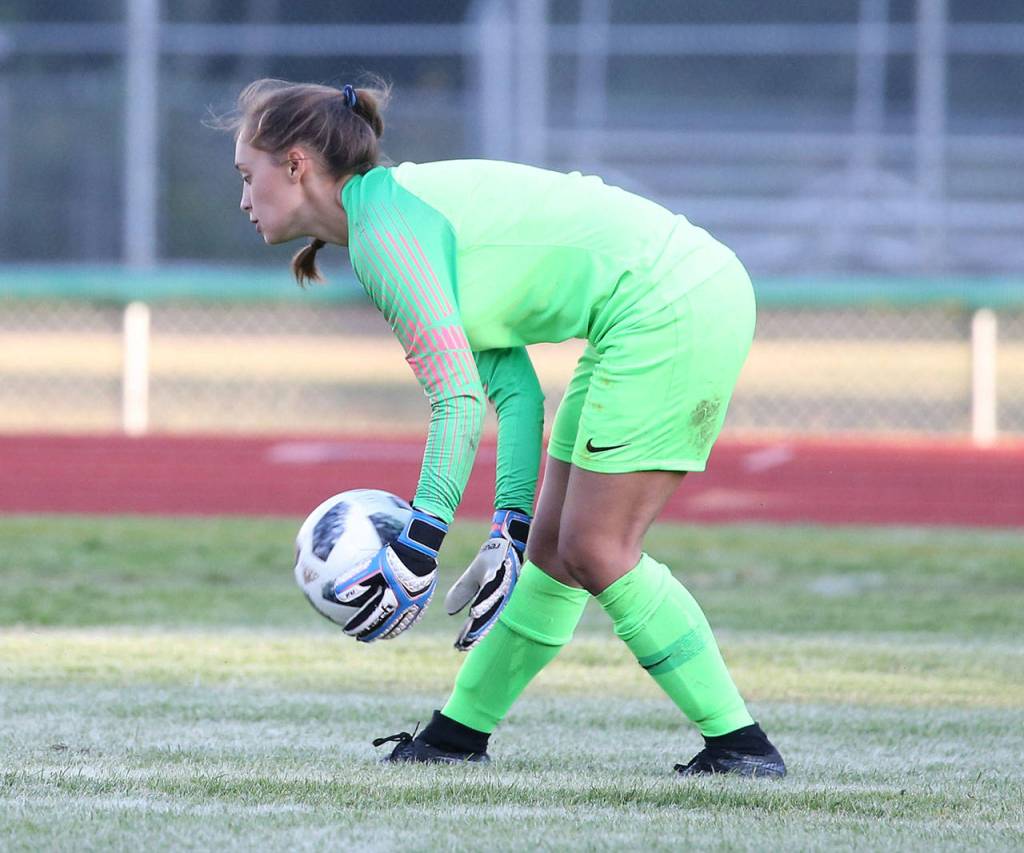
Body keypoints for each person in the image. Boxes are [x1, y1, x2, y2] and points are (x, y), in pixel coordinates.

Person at [223, 78, 785, 777]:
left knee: (597, 547)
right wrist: (509, 529)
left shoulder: (385, 234)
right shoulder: (388, 215)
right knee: (553, 551)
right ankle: (455, 737)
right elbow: (512, 393)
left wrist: (420, 546)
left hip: (668, 303)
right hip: (661, 301)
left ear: (296, 164)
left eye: (247, 176)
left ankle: (741, 745)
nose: (244, 199)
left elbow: (456, 401)